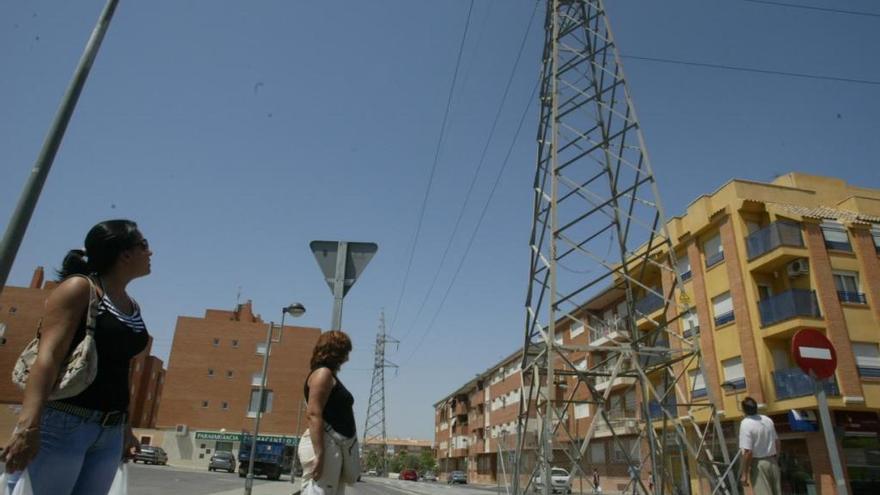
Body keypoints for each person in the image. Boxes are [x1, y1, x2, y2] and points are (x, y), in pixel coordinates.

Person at [1, 220, 152, 494]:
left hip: (110, 431)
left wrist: (126, 426)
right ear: (124, 254)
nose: (150, 253)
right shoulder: (80, 289)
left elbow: (120, 370)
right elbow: (48, 357)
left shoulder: (131, 305)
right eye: (143, 245)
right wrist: (28, 426)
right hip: (65, 424)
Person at [298, 331, 356, 495]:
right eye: (346, 352)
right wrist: (320, 454)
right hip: (324, 444)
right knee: (319, 492)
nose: (347, 358)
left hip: (330, 445)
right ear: (335, 351)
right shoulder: (322, 374)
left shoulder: (327, 374)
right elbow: (314, 413)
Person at [739, 396, 781, 495]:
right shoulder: (767, 420)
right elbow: (777, 442)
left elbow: (748, 452)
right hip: (772, 461)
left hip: (758, 464)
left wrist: (744, 473)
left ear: (744, 410)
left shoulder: (745, 424)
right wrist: (775, 459)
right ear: (756, 407)